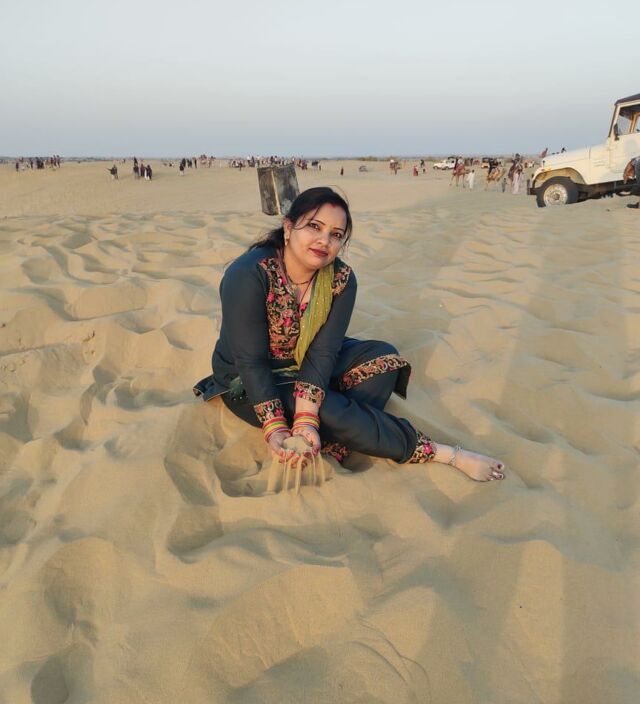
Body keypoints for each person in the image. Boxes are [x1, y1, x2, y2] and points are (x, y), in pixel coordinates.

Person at [193, 187, 505, 482]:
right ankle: (442, 453)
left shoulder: (340, 279)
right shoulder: (249, 274)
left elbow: (323, 351)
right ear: (288, 228)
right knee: (330, 409)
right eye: (314, 226)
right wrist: (277, 427)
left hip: (305, 363)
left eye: (336, 234)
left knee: (384, 359)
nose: (324, 240)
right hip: (249, 380)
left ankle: (332, 430)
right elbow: (250, 361)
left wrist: (306, 416)